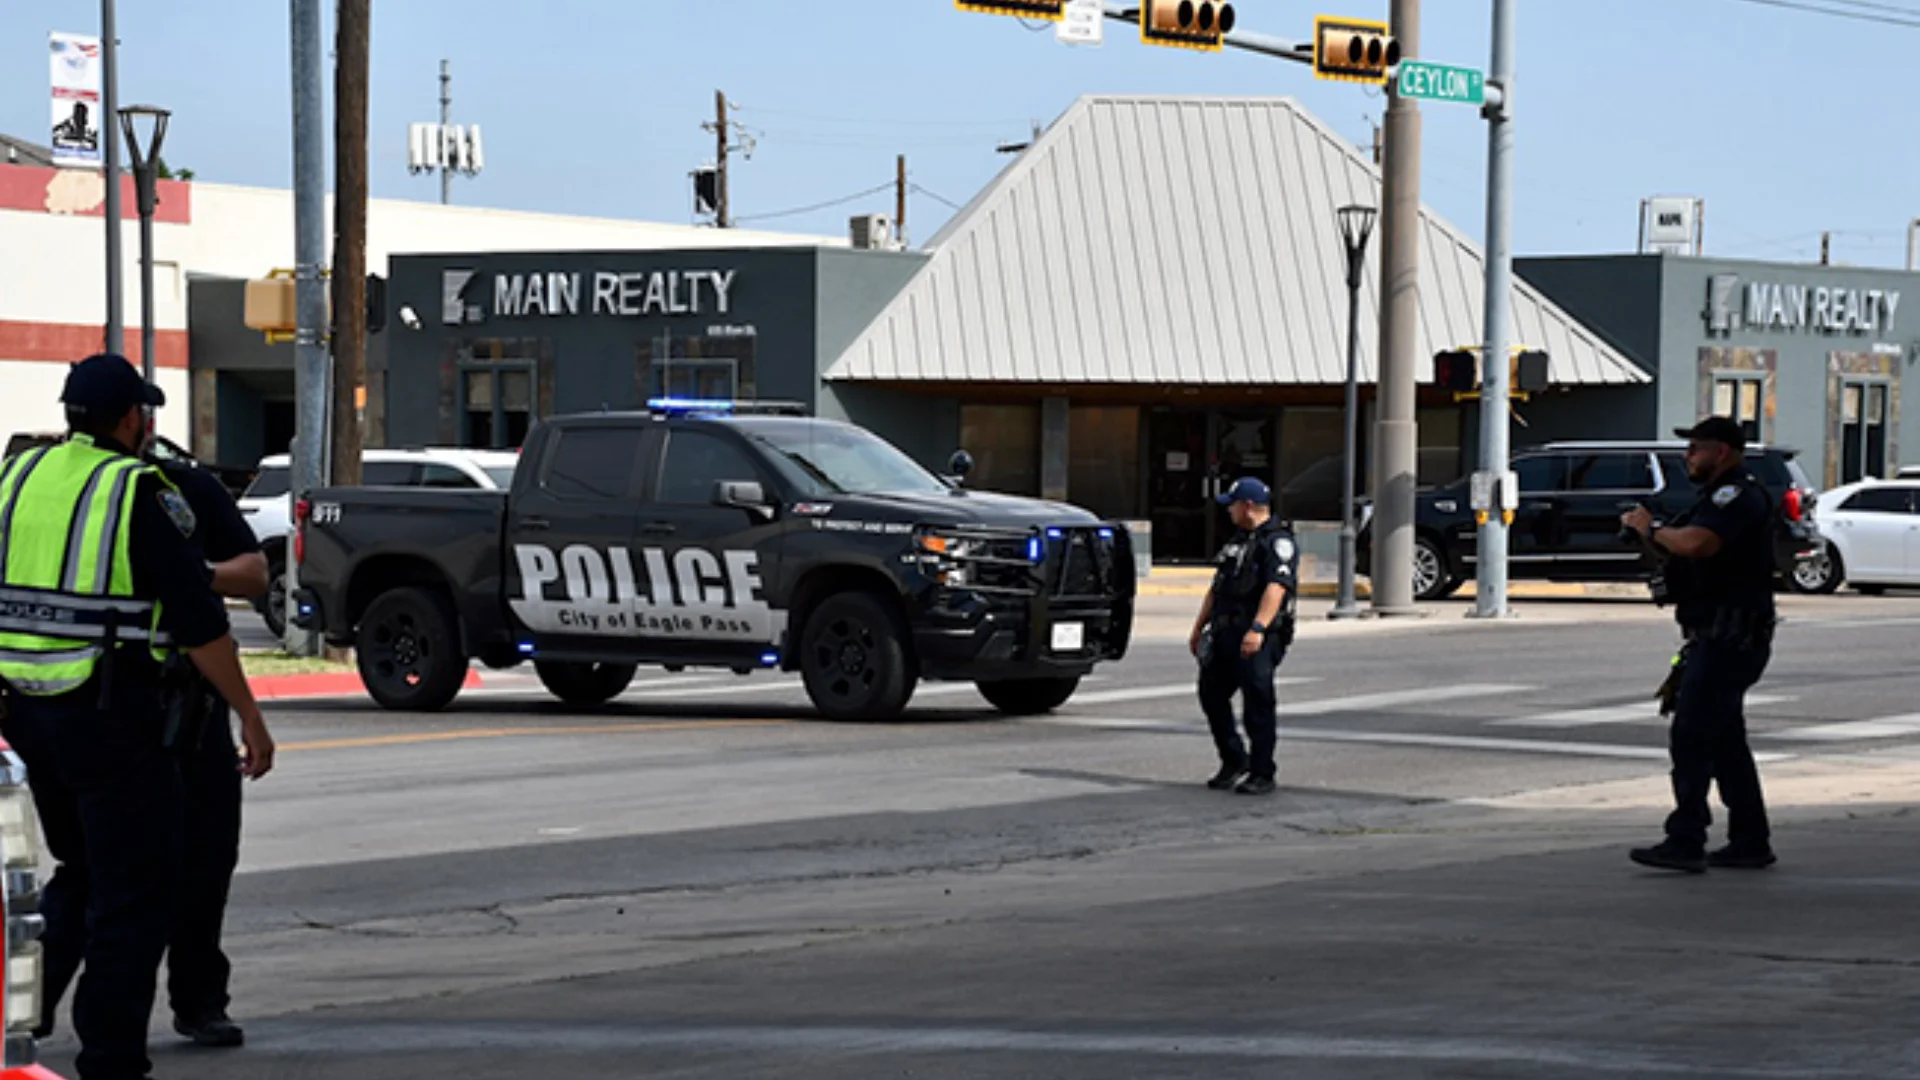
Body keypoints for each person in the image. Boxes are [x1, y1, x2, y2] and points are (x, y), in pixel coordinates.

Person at [0, 353, 274, 1080]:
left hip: (29, 716)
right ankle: (112, 1056)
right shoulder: (137, 491)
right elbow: (199, 624)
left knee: (82, 868)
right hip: (112, 716)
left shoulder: (18, 478)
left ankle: (19, 1022)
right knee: (136, 890)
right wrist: (249, 712)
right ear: (131, 419)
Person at [143, 420, 267, 1048]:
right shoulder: (73, 491)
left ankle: (198, 1002)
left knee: (207, 859)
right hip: (105, 711)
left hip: (187, 707)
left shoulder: (185, 488)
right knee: (107, 875)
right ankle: (60, 1011)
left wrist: (197, 574)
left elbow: (253, 573)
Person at [1619, 416, 1777, 874]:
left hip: (1731, 637)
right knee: (1726, 741)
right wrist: (1648, 536)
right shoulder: (1713, 498)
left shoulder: (1737, 496)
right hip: (1714, 634)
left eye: (1696, 449)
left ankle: (1686, 837)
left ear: (1721, 452)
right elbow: (1682, 550)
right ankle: (1750, 839)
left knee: (1691, 735)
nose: (1688, 457)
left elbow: (1698, 544)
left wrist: (1652, 529)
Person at [1188, 477, 1300, 796]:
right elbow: (1216, 587)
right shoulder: (1237, 540)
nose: (1228, 511)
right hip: (1225, 630)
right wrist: (1199, 628)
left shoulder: (1276, 542)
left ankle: (1263, 772)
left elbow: (1276, 588)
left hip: (1256, 634)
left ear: (1247, 507)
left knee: (1257, 702)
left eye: (1232, 505)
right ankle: (1234, 760)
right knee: (1211, 694)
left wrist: (1258, 629)